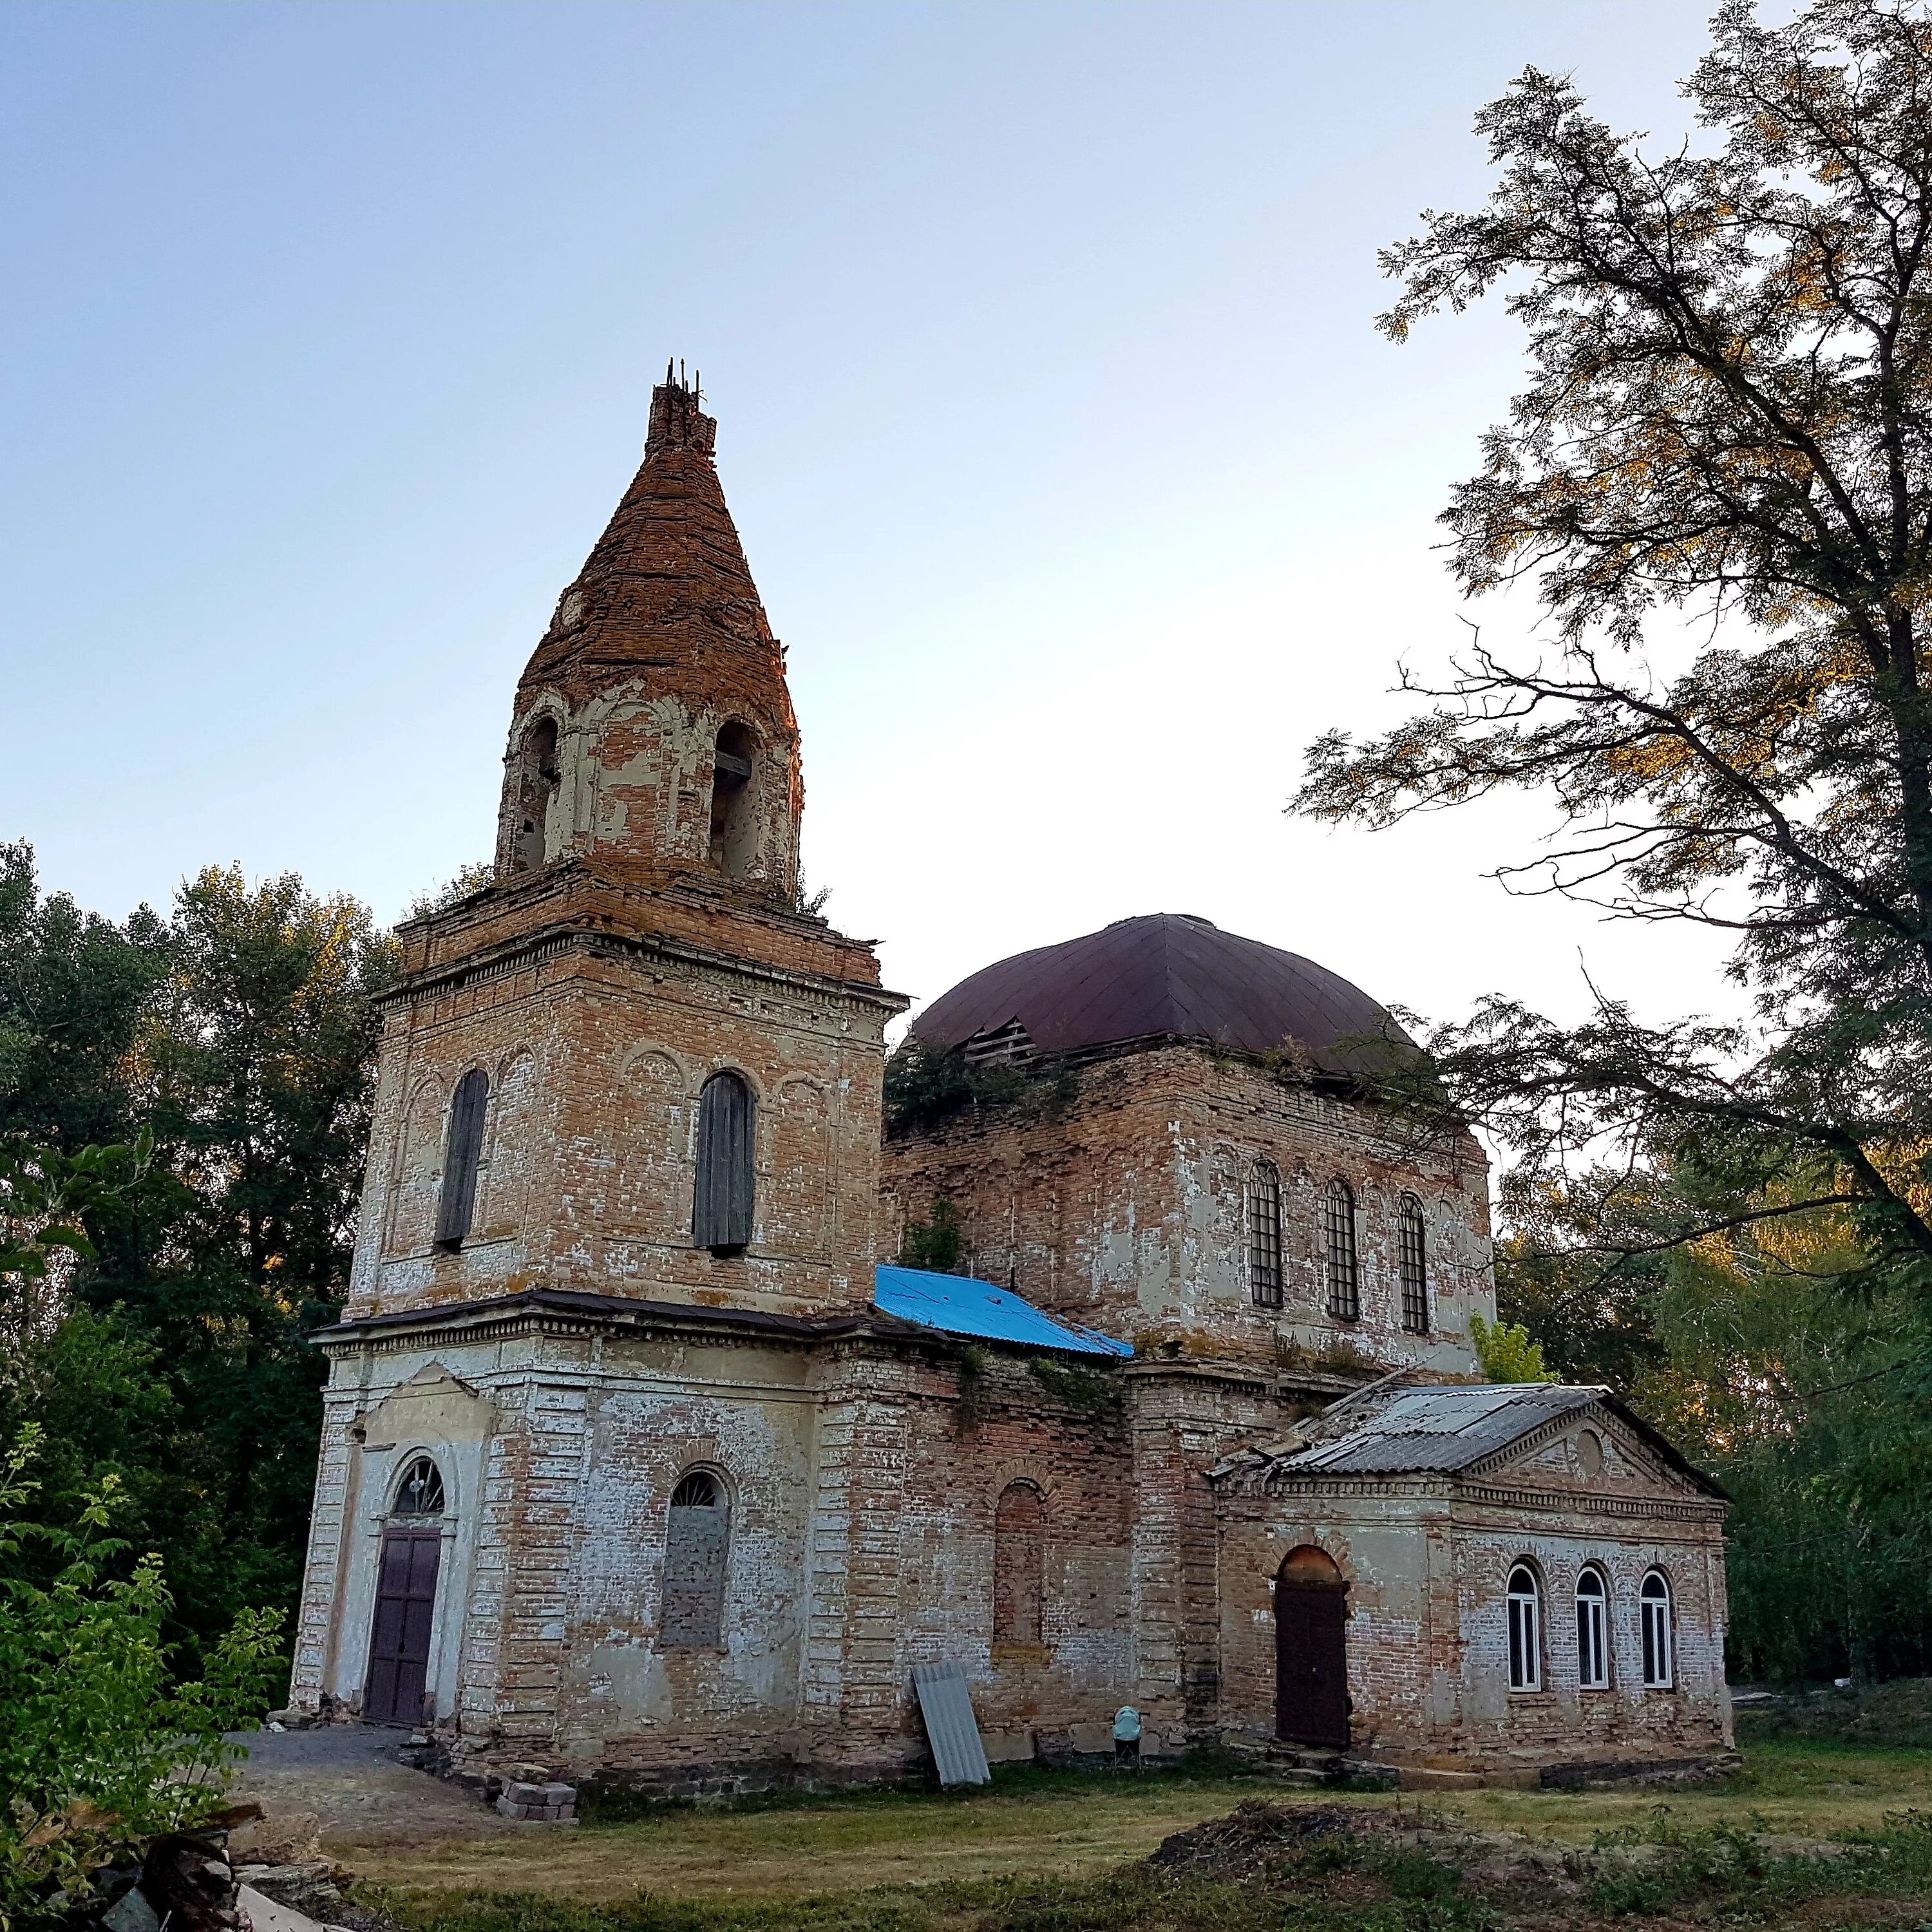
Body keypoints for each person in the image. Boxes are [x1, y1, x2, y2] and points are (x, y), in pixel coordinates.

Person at [1112, 1704, 1141, 1768]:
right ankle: (1138, 1767)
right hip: (1134, 1743)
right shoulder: (1135, 1718)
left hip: (1120, 1743)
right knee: (1135, 1751)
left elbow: (1115, 1725)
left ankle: (1117, 1766)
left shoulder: (1118, 1719)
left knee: (1119, 1751)